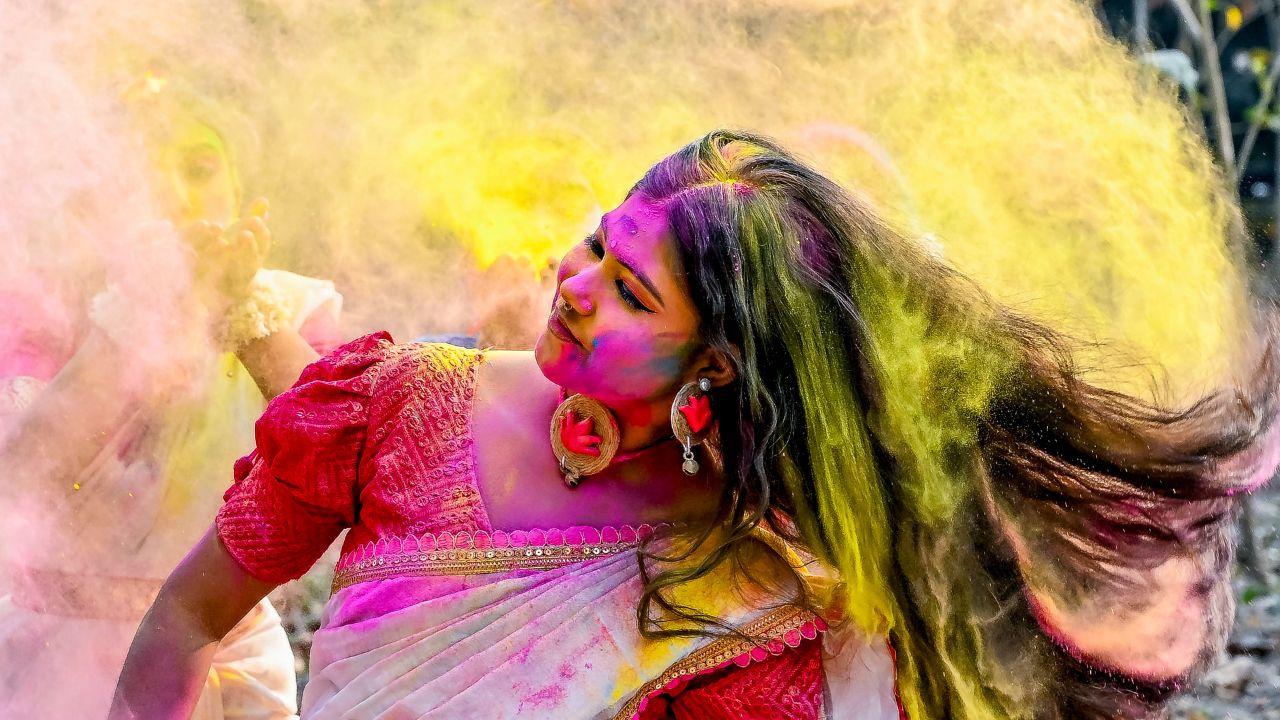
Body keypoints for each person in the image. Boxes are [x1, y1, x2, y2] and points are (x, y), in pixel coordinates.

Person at [111, 130, 1280, 720]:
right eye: (597, 246)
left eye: (628, 295)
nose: (573, 285)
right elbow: (187, 614)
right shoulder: (396, 400)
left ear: (712, 371)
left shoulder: (757, 591)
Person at [0, 74, 343, 719]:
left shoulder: (289, 309)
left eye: (200, 169)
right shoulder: (42, 314)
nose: (180, 197)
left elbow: (344, 455)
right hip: (54, 657)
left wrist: (244, 312)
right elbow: (25, 479)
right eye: (145, 175)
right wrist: (140, 314)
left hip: (230, 662)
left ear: (242, 190)